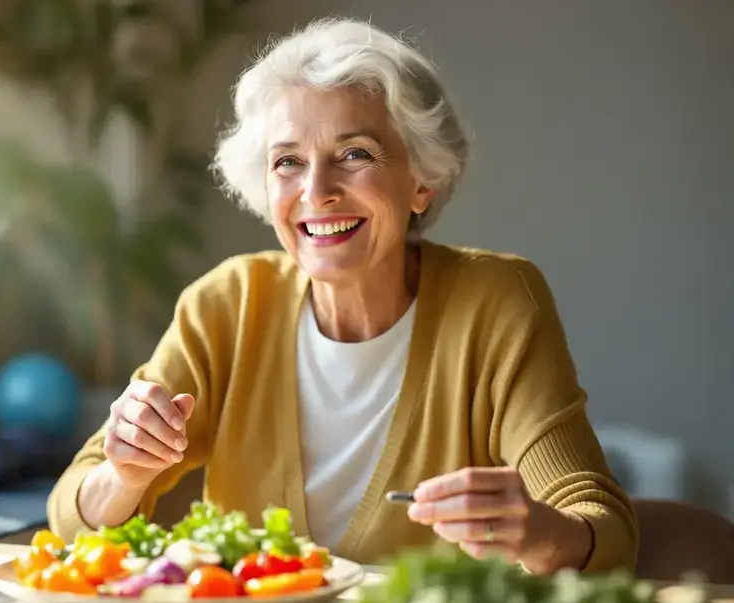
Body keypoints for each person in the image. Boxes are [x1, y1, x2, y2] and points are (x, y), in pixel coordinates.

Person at [46, 17, 637, 574]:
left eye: (355, 154)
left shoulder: (497, 303)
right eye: (288, 162)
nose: (316, 191)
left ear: (421, 181)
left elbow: (604, 527)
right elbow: (71, 518)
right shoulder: (227, 306)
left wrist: (536, 532)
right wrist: (123, 477)